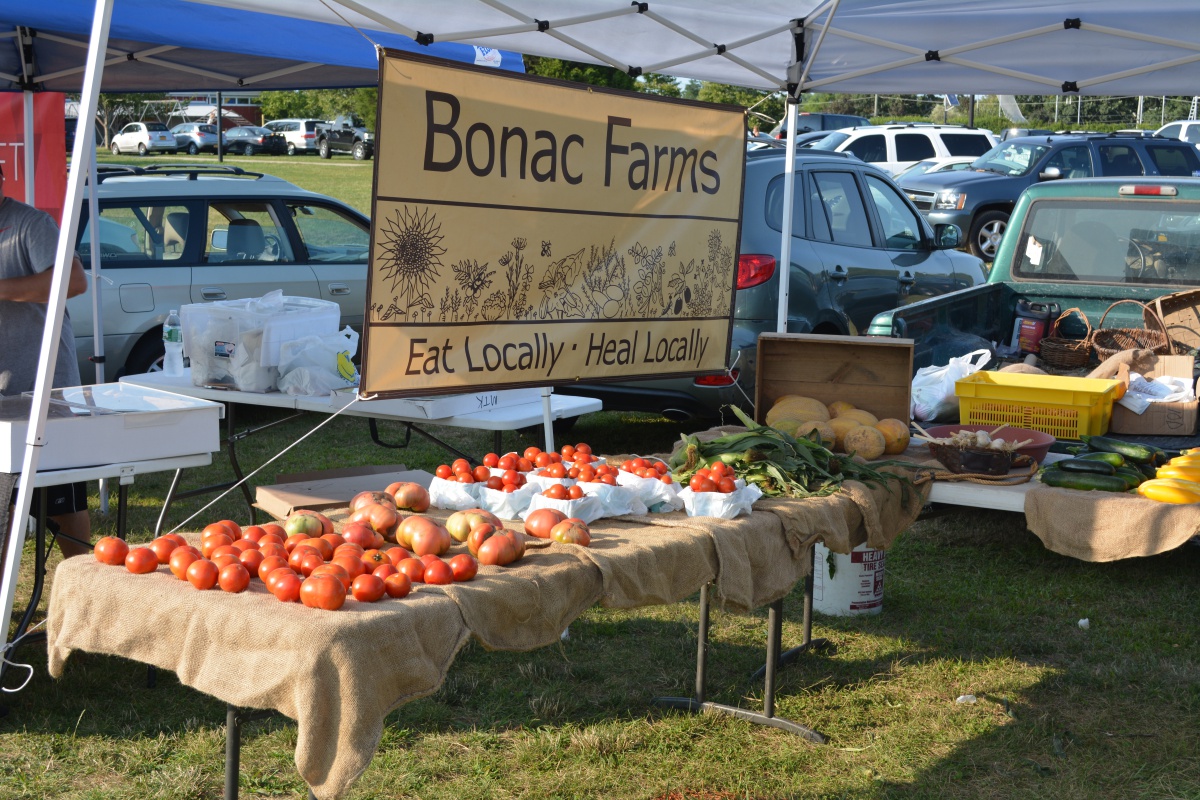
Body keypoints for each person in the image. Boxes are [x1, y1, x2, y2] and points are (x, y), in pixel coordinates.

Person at [0, 162, 93, 558]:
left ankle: (91, 601)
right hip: (4, 396)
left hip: (44, 391)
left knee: (64, 506)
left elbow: (74, 280)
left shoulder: (29, 224)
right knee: (4, 507)